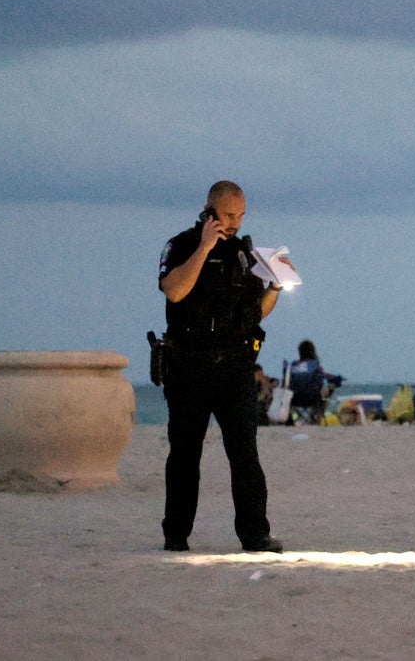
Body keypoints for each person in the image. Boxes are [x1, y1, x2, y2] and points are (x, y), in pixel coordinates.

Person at [158, 180, 285, 553]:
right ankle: (176, 534)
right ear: (210, 210)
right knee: (184, 453)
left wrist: (275, 288)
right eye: (229, 215)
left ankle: (255, 535)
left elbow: (254, 314)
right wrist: (205, 247)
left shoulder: (247, 256)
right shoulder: (181, 245)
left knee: (245, 453)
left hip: (235, 368)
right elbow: (175, 290)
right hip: (189, 366)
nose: (235, 223)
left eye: (241, 216)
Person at [287, 339, 344, 424]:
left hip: (295, 399)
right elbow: (324, 376)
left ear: (300, 352)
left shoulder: (293, 366)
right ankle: (317, 416)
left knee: (290, 403)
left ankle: (295, 418)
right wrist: (337, 379)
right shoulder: (315, 365)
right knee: (329, 388)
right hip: (313, 399)